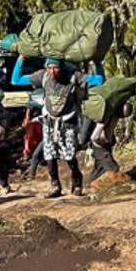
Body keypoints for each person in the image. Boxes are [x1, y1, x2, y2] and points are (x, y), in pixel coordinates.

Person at [29, 57, 88, 198]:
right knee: (50, 156)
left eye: (55, 68)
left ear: (62, 68)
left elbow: (97, 80)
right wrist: (21, 59)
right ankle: (55, 186)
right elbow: (16, 80)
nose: (52, 71)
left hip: (68, 123)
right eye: (49, 68)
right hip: (49, 123)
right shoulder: (43, 77)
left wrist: (96, 64)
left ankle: (77, 183)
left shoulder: (73, 77)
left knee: (69, 156)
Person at [88, 102, 131, 184]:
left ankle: (89, 184)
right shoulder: (105, 119)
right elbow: (94, 137)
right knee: (113, 168)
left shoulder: (114, 117)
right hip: (100, 147)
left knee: (99, 169)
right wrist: (100, 144)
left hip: (105, 145)